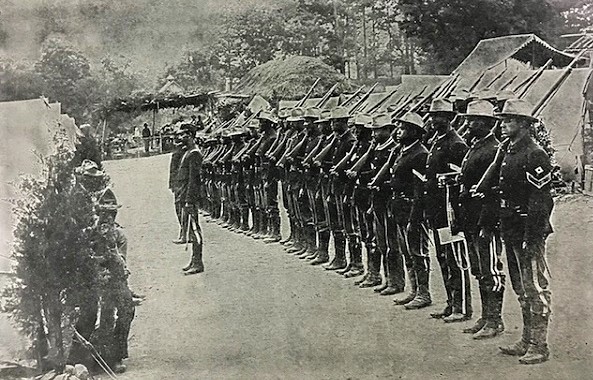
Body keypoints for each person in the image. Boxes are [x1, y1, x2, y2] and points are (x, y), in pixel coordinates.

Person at [478, 99, 554, 364]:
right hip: (510, 227)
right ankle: (526, 339)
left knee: (535, 287)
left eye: (508, 120)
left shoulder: (534, 153)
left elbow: (541, 201)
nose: (503, 124)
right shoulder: (509, 150)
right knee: (520, 287)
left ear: (523, 124)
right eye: (502, 119)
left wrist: (531, 237)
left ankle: (539, 345)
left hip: (526, 229)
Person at [457, 100, 506, 339]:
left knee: (491, 271)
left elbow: (494, 192)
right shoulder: (475, 146)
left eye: (473, 120)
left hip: (484, 220)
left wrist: (487, 224)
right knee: (479, 269)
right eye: (467, 119)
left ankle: (495, 320)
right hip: (470, 218)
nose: (468, 124)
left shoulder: (493, 150)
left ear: (487, 123)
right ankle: (486, 316)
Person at [423, 98, 472, 323]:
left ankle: (462, 308)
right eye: (432, 116)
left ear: (450, 118)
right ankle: (451, 303)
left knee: (455, 259)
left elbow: (463, 177)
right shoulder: (437, 141)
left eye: (438, 116)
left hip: (450, 212)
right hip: (437, 210)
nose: (433, 120)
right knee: (443, 258)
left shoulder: (456, 144)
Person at [388, 112, 432, 309]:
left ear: (414, 132)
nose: (399, 132)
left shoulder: (420, 154)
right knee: (407, 251)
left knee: (418, 251)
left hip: (412, 209)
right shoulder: (403, 150)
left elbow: (420, 189)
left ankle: (424, 292)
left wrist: (416, 216)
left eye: (403, 128)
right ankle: (414, 290)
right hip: (400, 207)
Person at [92, 201, 135, 374]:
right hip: (94, 280)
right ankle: (102, 355)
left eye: (112, 213)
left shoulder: (119, 236)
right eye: (105, 213)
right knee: (105, 313)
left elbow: (120, 263)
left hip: (115, 280)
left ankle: (116, 354)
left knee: (127, 308)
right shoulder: (90, 234)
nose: (109, 217)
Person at [175, 124, 205, 275]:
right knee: (190, 229)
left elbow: (194, 180)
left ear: (190, 136)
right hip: (184, 195)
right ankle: (194, 260)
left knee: (194, 229)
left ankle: (198, 262)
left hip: (189, 196)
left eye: (183, 135)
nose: (180, 138)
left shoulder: (194, 154)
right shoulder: (187, 152)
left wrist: (188, 200)